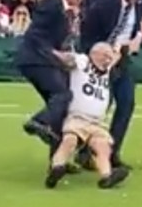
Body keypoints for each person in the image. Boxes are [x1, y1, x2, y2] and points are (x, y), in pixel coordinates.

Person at [79, 0, 142, 170]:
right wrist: (98, 56)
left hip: (122, 60)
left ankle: (111, 152)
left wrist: (136, 42)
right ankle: (84, 152)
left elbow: (135, 31)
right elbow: (87, 33)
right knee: (98, 109)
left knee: (126, 103)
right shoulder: (104, 4)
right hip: (100, 62)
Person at [45, 42, 130, 190]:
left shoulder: (106, 69)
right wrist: (50, 51)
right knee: (70, 140)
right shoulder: (82, 62)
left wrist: (128, 41)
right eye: (105, 56)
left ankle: (107, 176)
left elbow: (118, 54)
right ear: (95, 54)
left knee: (102, 146)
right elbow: (66, 58)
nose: (108, 60)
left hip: (97, 122)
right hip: (78, 117)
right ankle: (56, 169)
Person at [16, 0, 85, 149]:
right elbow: (34, 36)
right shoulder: (51, 4)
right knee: (63, 95)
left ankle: (58, 161)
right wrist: (56, 54)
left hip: (44, 60)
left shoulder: (66, 10)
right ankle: (37, 122)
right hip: (34, 60)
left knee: (59, 108)